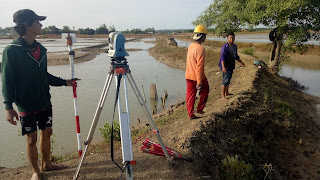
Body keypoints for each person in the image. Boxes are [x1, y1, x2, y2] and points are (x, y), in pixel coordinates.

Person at [1, 9, 75, 180]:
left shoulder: (41, 49)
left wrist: (66, 82)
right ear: (27, 25)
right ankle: (36, 171)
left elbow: (44, 76)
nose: (41, 25)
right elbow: (7, 80)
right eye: (37, 21)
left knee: (47, 131)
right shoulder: (12, 50)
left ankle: (47, 164)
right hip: (26, 104)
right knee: (31, 138)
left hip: (44, 101)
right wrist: (8, 106)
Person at [185, 25, 209, 119]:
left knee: (190, 96)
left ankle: (190, 114)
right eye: (205, 36)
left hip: (188, 75)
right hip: (197, 76)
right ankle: (199, 109)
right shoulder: (200, 48)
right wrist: (199, 81)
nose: (205, 38)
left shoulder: (191, 46)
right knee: (205, 90)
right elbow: (199, 67)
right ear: (202, 36)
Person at [218, 32, 245, 101]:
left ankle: (227, 93)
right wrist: (223, 67)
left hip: (231, 64)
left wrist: (241, 62)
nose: (232, 39)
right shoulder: (225, 47)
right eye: (230, 38)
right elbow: (222, 58)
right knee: (225, 80)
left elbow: (236, 56)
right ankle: (223, 96)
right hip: (226, 65)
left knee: (228, 79)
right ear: (227, 38)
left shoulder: (234, 46)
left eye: (233, 38)